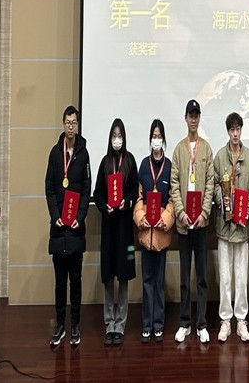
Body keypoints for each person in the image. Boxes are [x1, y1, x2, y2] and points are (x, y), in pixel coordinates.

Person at [45, 105, 91, 348]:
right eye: (67, 122)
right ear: (63, 124)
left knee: (76, 281)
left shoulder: (83, 154)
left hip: (75, 228)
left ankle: (75, 325)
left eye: (74, 122)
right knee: (59, 282)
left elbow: (86, 188)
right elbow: (49, 187)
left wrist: (80, 217)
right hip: (58, 227)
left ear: (77, 125)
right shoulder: (55, 153)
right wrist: (55, 215)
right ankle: (60, 326)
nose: (71, 126)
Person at [169, 99, 215, 344]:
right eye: (191, 115)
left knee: (202, 277)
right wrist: (181, 213)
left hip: (201, 223)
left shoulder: (206, 149)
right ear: (185, 118)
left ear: (199, 118)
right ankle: (185, 322)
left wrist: (204, 213)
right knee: (185, 277)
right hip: (184, 224)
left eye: (197, 115)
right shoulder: (179, 149)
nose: (194, 119)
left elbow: (210, 184)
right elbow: (174, 185)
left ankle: (202, 324)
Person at [93, 118, 139, 345]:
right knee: (109, 275)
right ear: (110, 138)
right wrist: (105, 206)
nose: (117, 139)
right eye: (114, 135)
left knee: (124, 275)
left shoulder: (130, 161)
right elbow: (98, 193)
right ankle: (109, 322)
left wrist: (126, 203)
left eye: (120, 136)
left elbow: (134, 190)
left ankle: (120, 324)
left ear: (124, 138)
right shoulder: (105, 162)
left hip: (125, 229)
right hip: (109, 227)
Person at [213, 112, 249, 343]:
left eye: (238, 129)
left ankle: (241, 320)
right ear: (227, 131)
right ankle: (225, 320)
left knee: (241, 276)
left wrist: (247, 211)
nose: (235, 134)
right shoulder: (220, 156)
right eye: (232, 130)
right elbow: (214, 184)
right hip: (224, 225)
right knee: (225, 276)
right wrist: (222, 199)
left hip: (242, 226)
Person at [133, 119, 175, 343]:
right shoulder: (143, 165)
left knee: (159, 282)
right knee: (147, 280)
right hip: (145, 232)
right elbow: (139, 198)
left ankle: (158, 323)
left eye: (159, 136)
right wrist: (141, 218)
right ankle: (146, 324)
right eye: (154, 136)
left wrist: (164, 219)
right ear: (150, 139)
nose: (156, 140)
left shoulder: (169, 166)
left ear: (163, 139)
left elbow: (173, 200)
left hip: (161, 232)